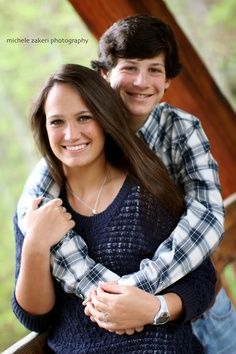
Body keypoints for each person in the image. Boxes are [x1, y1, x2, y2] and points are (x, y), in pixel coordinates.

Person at [14, 15, 236, 352]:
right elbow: (34, 208)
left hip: (206, 309)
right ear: (105, 74)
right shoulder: (77, 152)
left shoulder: (181, 130)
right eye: (129, 68)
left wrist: (140, 295)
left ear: (167, 82)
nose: (141, 81)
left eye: (154, 70)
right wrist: (112, 300)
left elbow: (206, 215)